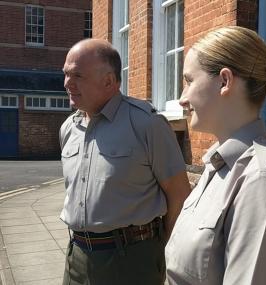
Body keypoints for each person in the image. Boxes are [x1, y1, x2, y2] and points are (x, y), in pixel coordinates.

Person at [165, 26, 266, 285]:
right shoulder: (220, 165)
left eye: (189, 81)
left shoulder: (264, 181)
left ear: (225, 81)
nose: (182, 99)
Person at [59, 38, 191, 285]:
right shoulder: (68, 128)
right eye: (66, 74)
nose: (67, 83)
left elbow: (179, 195)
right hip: (76, 255)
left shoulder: (146, 124)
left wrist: (167, 255)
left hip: (131, 258)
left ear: (108, 81)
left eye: (77, 75)